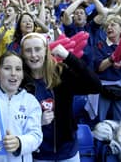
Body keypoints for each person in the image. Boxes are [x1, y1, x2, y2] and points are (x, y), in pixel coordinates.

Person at [19, 32, 102, 161]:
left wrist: (69, 57)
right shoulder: (20, 82)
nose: (34, 55)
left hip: (67, 151)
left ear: (46, 51)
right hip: (39, 153)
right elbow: (15, 120)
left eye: (38, 49)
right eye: (28, 51)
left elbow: (95, 86)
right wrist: (37, 122)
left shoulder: (61, 73)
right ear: (23, 54)